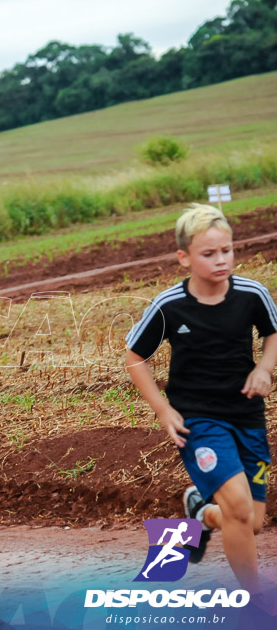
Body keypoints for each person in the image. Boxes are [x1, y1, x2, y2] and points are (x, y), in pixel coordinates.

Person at [125, 203, 277, 593]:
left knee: (251, 521)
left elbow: (273, 333)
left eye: (226, 250)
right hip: (199, 420)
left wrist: (264, 369)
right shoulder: (168, 305)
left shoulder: (252, 294)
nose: (221, 260)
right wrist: (163, 409)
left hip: (247, 417)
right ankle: (254, 601)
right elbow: (135, 357)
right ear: (184, 258)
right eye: (208, 254)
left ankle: (199, 511)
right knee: (240, 510)